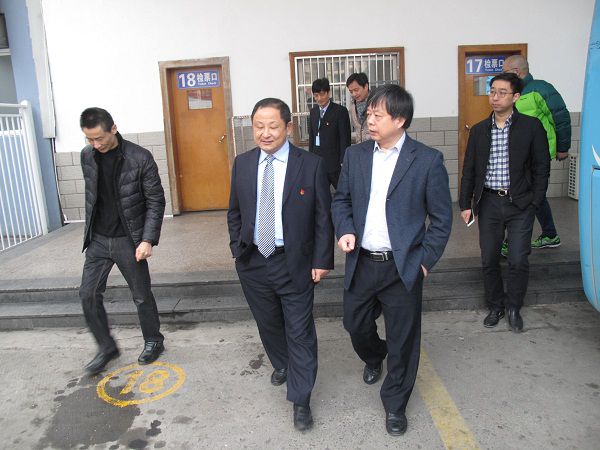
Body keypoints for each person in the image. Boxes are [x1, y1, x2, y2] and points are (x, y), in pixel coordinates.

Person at [331, 85, 452, 436]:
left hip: (403, 267)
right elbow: (341, 200)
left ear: (400, 120)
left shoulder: (427, 160)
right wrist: (345, 229)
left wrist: (424, 262)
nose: (369, 120)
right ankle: (374, 356)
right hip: (362, 262)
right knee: (354, 324)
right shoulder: (355, 156)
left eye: (378, 115)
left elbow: (441, 219)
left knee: (403, 340)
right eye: (368, 114)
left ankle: (395, 404)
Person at [227, 98, 334, 431]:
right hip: (253, 261)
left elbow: (323, 217)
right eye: (259, 126)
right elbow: (234, 211)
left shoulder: (311, 165)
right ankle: (284, 364)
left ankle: (301, 399)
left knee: (299, 331)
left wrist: (321, 259)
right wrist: (237, 249)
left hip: (294, 261)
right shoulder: (243, 163)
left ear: (288, 127)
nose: (265, 133)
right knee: (269, 323)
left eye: (273, 126)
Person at [459, 73, 550, 333]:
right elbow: (469, 169)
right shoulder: (479, 130)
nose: (495, 97)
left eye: (502, 92)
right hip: (489, 202)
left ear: (516, 96)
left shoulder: (531, 127)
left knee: (518, 258)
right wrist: (465, 204)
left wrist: (536, 200)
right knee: (489, 258)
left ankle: (513, 307)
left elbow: (541, 166)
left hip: (520, 203)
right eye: (492, 92)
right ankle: (496, 305)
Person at [79, 107, 166, 375]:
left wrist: (147, 239)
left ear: (113, 129)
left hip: (129, 239)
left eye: (99, 138)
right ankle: (106, 347)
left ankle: (153, 340)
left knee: (141, 295)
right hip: (98, 239)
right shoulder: (87, 156)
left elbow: (155, 200)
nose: (95, 144)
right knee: (88, 294)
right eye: (89, 139)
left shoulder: (140, 157)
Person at [503, 55, 571, 251]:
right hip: (519, 155)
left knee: (526, 196)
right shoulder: (513, 92)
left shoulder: (540, 89)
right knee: (535, 195)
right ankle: (550, 234)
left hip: (537, 155)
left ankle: (512, 241)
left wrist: (562, 148)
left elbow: (561, 118)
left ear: (516, 72)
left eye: (505, 70)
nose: (502, 74)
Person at [308, 78, 351, 189]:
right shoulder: (313, 112)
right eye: (316, 95)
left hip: (335, 163)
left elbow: (345, 138)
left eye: (322, 94)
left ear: (329, 93)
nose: (319, 98)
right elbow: (312, 137)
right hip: (318, 162)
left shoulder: (340, 111)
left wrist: (343, 160)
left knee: (343, 191)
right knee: (320, 193)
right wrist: (311, 157)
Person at [346, 73, 371, 143]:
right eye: (351, 92)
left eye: (356, 90)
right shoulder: (353, 106)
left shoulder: (377, 103)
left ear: (366, 86)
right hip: (360, 146)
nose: (354, 94)